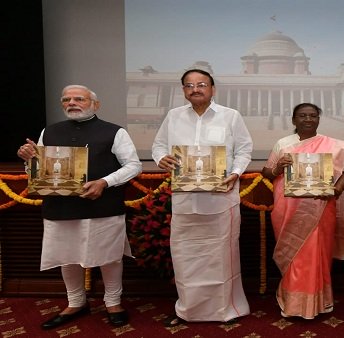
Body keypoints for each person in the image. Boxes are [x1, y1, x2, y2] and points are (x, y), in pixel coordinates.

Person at [16, 84, 142, 329]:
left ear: (95, 104)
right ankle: (75, 302)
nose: (71, 103)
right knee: (67, 256)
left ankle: (113, 302)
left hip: (102, 205)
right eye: (66, 99)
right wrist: (30, 160)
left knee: (110, 257)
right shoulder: (49, 131)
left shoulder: (115, 132)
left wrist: (105, 182)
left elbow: (133, 166)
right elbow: (41, 172)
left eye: (78, 99)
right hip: (60, 207)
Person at [152, 69, 253, 326]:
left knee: (222, 256)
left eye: (201, 84)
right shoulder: (173, 116)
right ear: (184, 90)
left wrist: (235, 172)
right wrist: (160, 158)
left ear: (212, 89)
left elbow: (244, 149)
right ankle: (187, 310)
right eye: (189, 85)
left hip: (221, 200)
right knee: (186, 257)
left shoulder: (230, 116)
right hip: (185, 201)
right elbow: (158, 146)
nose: (195, 89)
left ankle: (225, 310)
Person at [261, 103, 344, 319]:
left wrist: (336, 189)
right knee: (294, 255)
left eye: (313, 116)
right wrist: (277, 169)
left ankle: (318, 303)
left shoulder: (331, 144)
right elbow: (267, 172)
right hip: (288, 209)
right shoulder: (283, 144)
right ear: (293, 120)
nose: (308, 119)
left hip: (321, 206)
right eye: (302, 116)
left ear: (318, 119)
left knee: (317, 253)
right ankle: (293, 303)